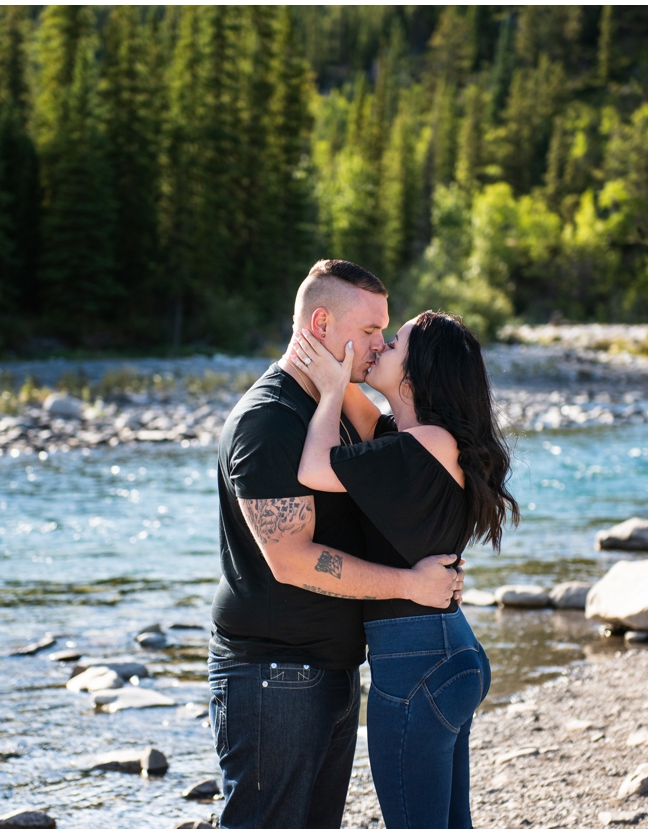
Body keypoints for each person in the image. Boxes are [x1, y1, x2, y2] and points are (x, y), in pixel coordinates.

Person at [208, 259, 464, 828]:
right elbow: (292, 560)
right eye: (371, 330)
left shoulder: (340, 405)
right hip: (274, 674)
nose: (379, 345)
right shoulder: (270, 421)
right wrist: (413, 586)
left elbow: (401, 459)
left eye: (385, 332)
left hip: (331, 670)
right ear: (321, 323)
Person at [281, 310, 517, 828]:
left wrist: (325, 395)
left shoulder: (426, 444)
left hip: (416, 663)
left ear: (414, 376)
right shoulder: (423, 439)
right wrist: (327, 357)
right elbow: (365, 420)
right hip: (442, 649)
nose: (381, 345)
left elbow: (314, 469)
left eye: (393, 343)